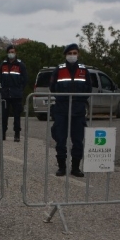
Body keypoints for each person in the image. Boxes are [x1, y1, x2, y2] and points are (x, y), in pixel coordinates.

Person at [49, 43, 92, 177]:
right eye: (70, 53)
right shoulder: (59, 69)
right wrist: (61, 98)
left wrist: (79, 100)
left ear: (78, 54)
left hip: (78, 110)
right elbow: (52, 86)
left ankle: (75, 168)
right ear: (65, 55)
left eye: (75, 53)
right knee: (60, 139)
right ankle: (62, 167)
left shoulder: (84, 70)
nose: (72, 56)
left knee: (78, 140)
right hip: (62, 109)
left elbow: (88, 88)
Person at [0, 44, 27, 142]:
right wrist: (2, 88)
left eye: (12, 52)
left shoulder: (20, 65)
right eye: (9, 52)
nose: (11, 54)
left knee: (17, 116)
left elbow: (25, 79)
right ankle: (2, 134)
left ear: (15, 53)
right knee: (4, 116)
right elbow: (0, 78)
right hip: (5, 94)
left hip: (16, 94)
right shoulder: (3, 65)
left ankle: (17, 134)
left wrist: (20, 89)